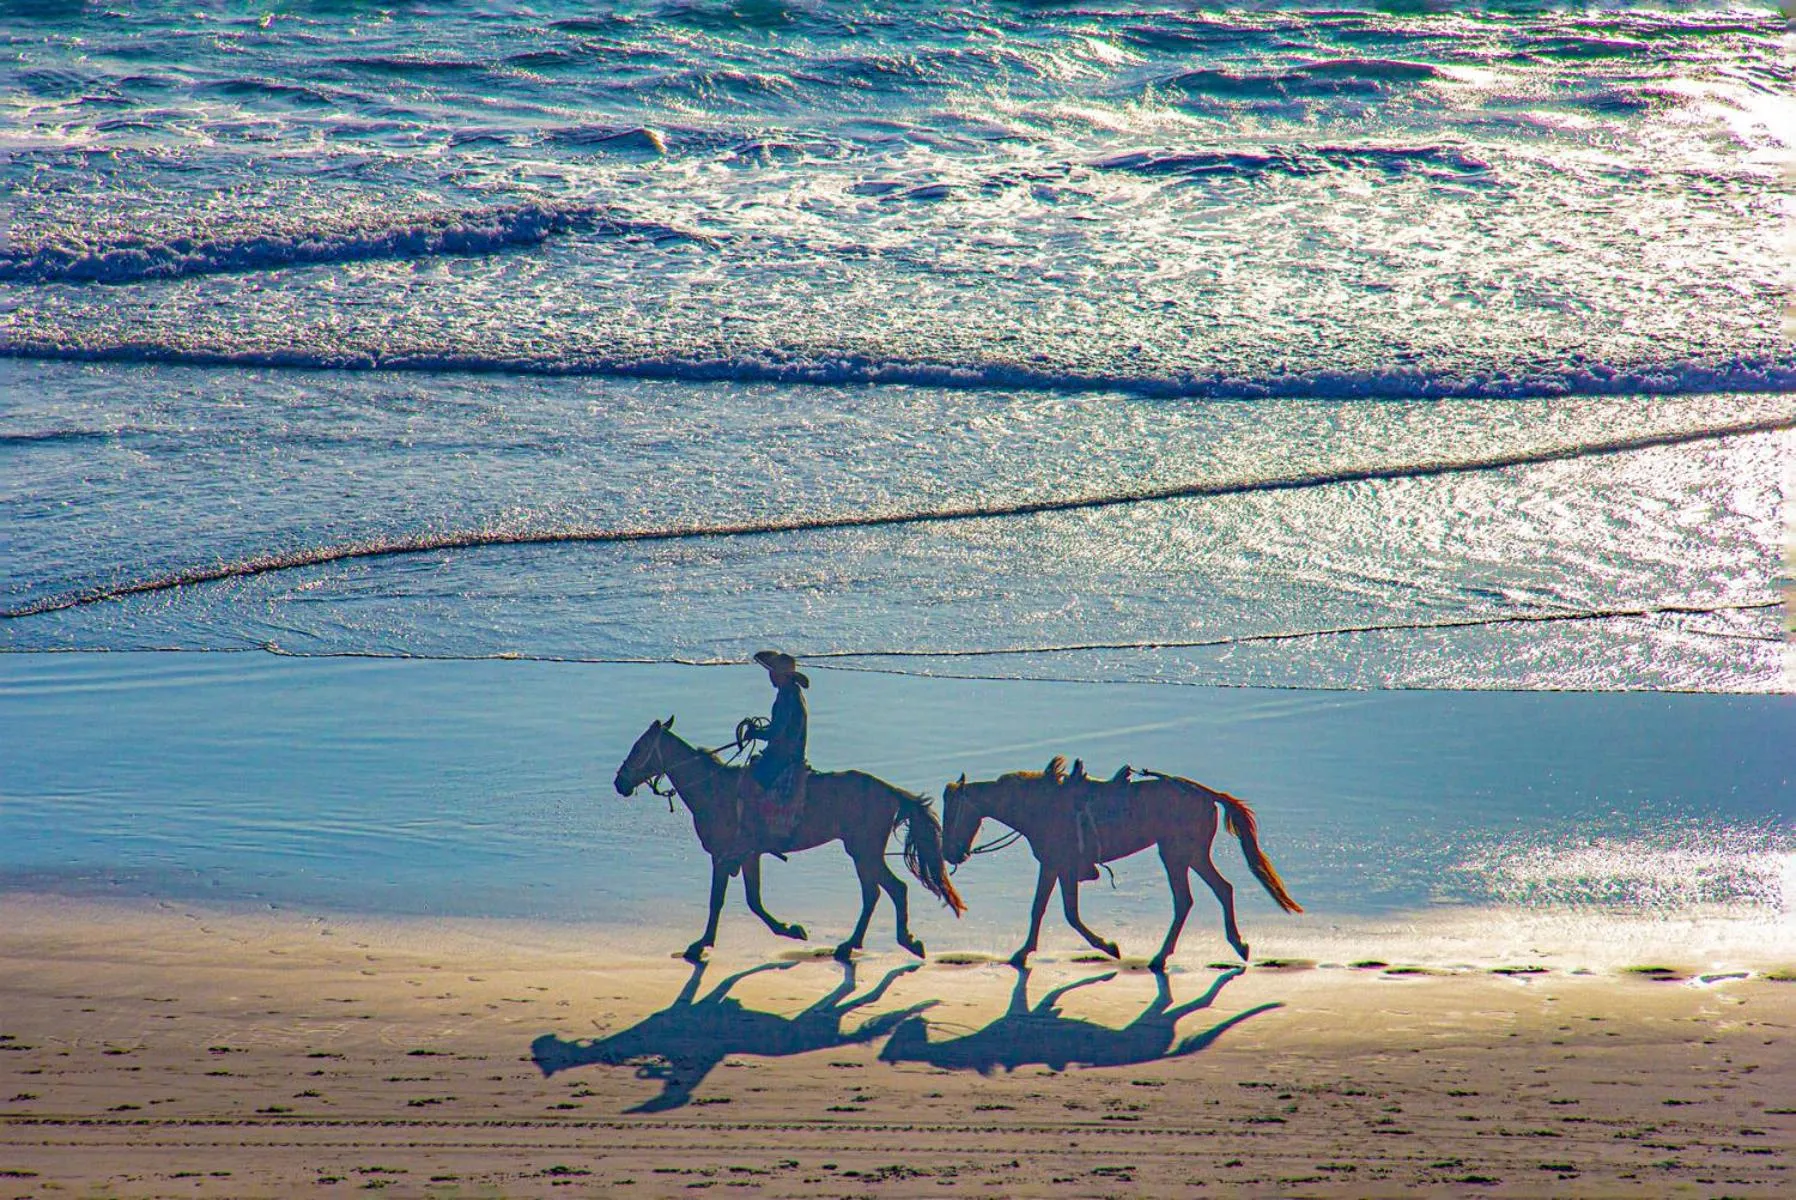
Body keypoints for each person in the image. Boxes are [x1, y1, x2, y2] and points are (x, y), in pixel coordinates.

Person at [740, 649, 809, 842]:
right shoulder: (789, 693)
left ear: (782, 675)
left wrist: (755, 732)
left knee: (750, 785)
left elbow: (776, 732)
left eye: (773, 672)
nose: (770, 676)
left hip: (784, 756)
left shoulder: (788, 696)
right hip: (782, 753)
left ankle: (759, 832)